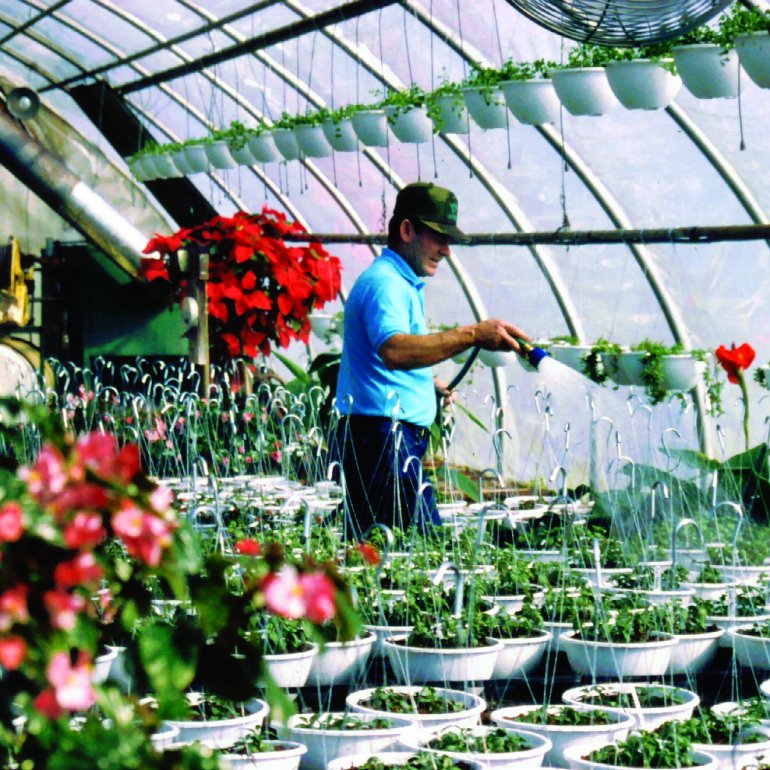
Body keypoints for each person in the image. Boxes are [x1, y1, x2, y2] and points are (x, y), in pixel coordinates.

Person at [334, 182, 530, 540]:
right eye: (439, 237)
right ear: (407, 230)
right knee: (409, 550)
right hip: (383, 440)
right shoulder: (387, 284)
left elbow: (385, 358)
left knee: (392, 547)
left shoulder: (400, 282)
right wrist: (473, 335)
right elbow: (393, 350)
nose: (447, 251)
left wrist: (427, 384)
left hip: (386, 438)